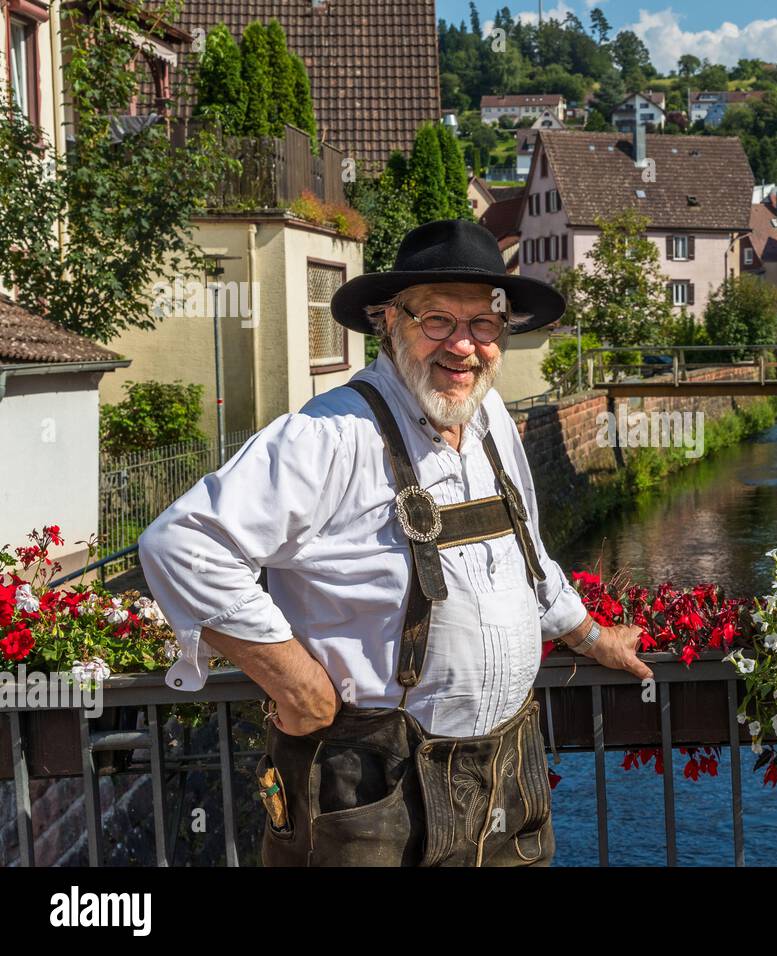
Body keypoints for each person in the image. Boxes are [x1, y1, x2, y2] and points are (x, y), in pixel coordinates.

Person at [139, 219, 651, 866]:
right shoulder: (331, 435)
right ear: (388, 321)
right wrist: (299, 688)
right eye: (437, 320)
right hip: (373, 792)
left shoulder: (489, 418)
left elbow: (526, 559)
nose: (463, 346)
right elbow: (181, 543)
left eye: (485, 325)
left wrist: (589, 637)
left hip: (510, 773)